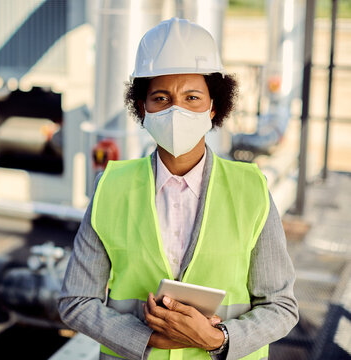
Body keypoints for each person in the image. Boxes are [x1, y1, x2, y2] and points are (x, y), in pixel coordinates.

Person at [58, 17, 299, 360]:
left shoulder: (252, 189)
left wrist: (218, 338)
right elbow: (76, 301)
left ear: (213, 106)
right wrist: (143, 337)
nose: (176, 111)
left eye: (192, 97)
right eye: (161, 98)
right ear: (142, 107)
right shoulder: (111, 186)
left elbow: (281, 306)